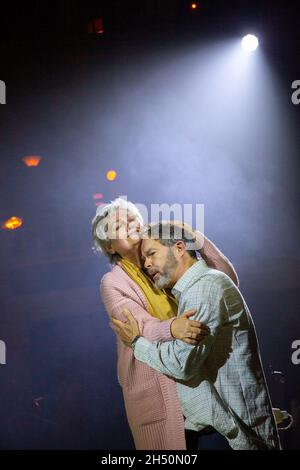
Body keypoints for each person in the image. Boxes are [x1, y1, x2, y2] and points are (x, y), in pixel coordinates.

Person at [112, 222, 281, 450]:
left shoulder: (205, 287)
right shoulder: (193, 290)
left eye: (152, 254)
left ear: (180, 248)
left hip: (238, 437)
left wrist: (137, 342)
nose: (147, 264)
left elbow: (181, 363)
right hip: (228, 433)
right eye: (144, 260)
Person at [92, 198, 239, 449]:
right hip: (159, 391)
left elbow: (225, 281)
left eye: (132, 217)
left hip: (204, 380)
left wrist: (197, 239)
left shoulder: (167, 256)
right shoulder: (112, 282)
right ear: (110, 246)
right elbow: (138, 327)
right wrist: (173, 328)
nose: (129, 222)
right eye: (118, 224)